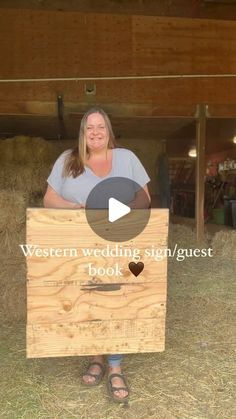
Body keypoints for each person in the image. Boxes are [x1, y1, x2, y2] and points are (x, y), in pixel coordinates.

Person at [44, 107, 151, 403]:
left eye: (100, 126)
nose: (95, 132)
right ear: (82, 132)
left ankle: (115, 365)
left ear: (109, 130)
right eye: (89, 127)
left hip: (119, 240)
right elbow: (49, 199)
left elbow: (144, 198)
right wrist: (76, 209)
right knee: (88, 298)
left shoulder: (127, 158)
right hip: (79, 242)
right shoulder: (68, 161)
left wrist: (115, 213)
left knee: (117, 299)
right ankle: (96, 357)